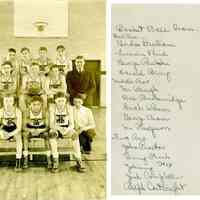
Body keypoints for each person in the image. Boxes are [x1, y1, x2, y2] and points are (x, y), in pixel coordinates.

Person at [49, 92, 85, 173]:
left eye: (63, 101)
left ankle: (79, 160)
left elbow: (72, 124)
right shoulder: (52, 108)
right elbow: (51, 124)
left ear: (65, 101)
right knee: (52, 135)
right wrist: (59, 128)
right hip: (56, 128)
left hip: (67, 128)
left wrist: (67, 129)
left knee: (75, 135)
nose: (61, 103)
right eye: (59, 101)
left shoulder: (69, 108)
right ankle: (55, 161)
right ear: (55, 101)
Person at [22, 95, 50, 169]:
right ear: (30, 105)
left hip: (41, 130)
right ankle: (25, 158)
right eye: (34, 104)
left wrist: (40, 130)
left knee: (47, 135)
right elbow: (23, 127)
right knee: (25, 135)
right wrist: (31, 130)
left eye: (38, 104)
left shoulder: (45, 112)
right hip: (30, 130)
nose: (36, 106)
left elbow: (47, 127)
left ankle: (49, 158)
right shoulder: (26, 112)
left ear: (41, 105)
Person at [0, 95, 23, 171]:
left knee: (19, 139)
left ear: (13, 102)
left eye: (10, 101)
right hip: (4, 129)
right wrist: (2, 133)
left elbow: (19, 128)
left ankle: (18, 161)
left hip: (15, 130)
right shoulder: (1, 111)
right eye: (6, 101)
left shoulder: (17, 111)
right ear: (3, 102)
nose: (8, 103)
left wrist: (10, 134)